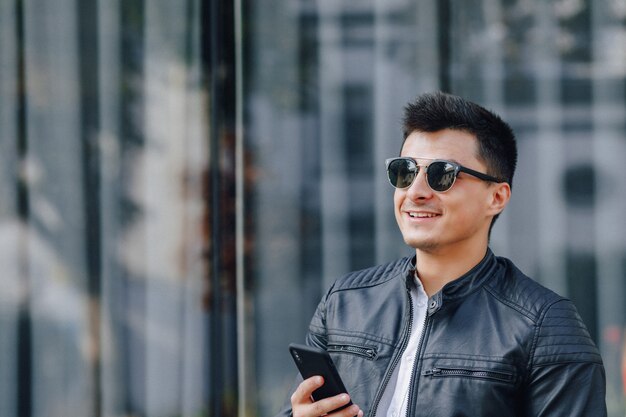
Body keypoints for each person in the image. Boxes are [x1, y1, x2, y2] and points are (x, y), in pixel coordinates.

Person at [277, 92, 606, 417]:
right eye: (405, 172)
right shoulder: (344, 303)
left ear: (497, 197)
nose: (416, 192)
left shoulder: (545, 326)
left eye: (442, 174)